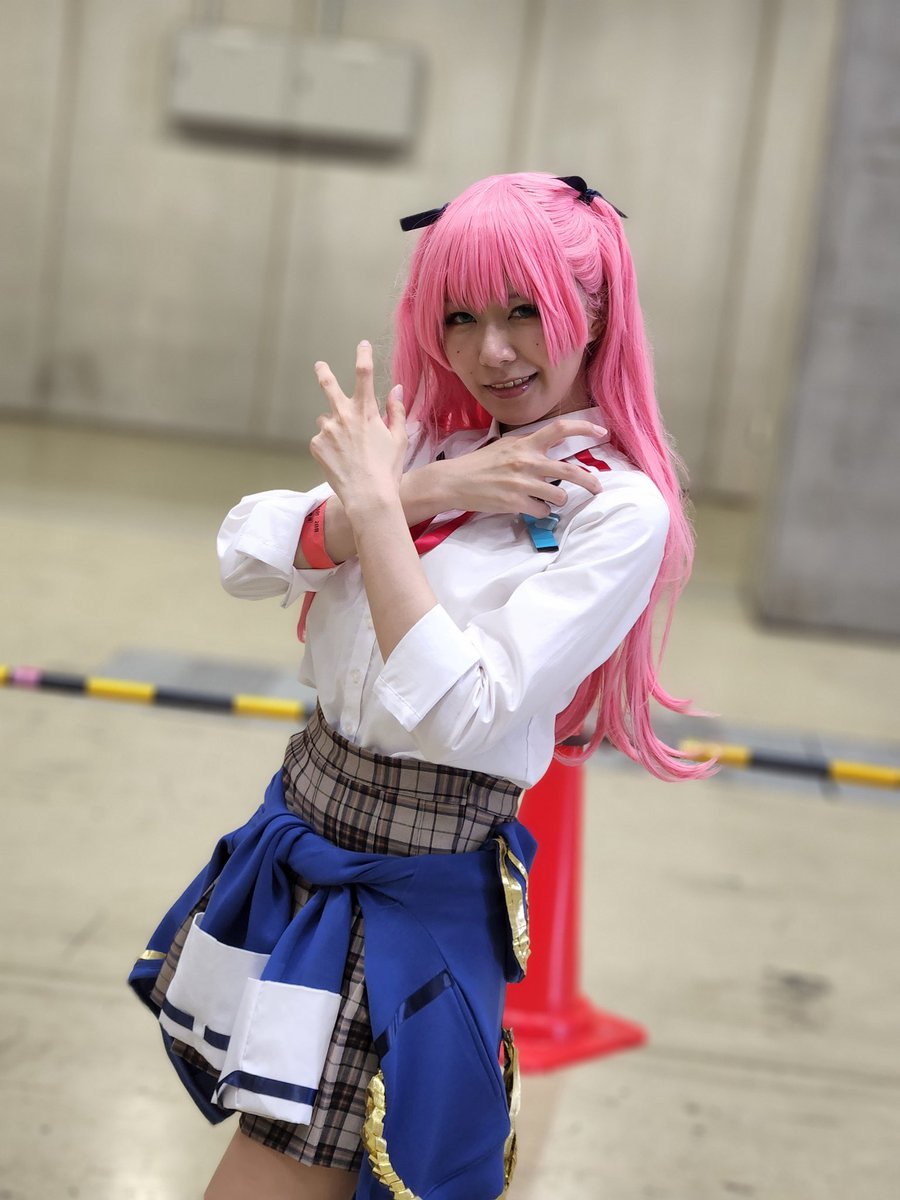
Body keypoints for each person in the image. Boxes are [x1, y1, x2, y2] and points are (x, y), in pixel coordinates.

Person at [129, 172, 710, 1200]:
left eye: (524, 310)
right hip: (298, 843)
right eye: (461, 317)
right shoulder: (436, 445)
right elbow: (247, 552)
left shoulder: (618, 510)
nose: (494, 351)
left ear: (594, 310)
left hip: (404, 896)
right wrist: (426, 487)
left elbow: (462, 709)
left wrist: (381, 509)